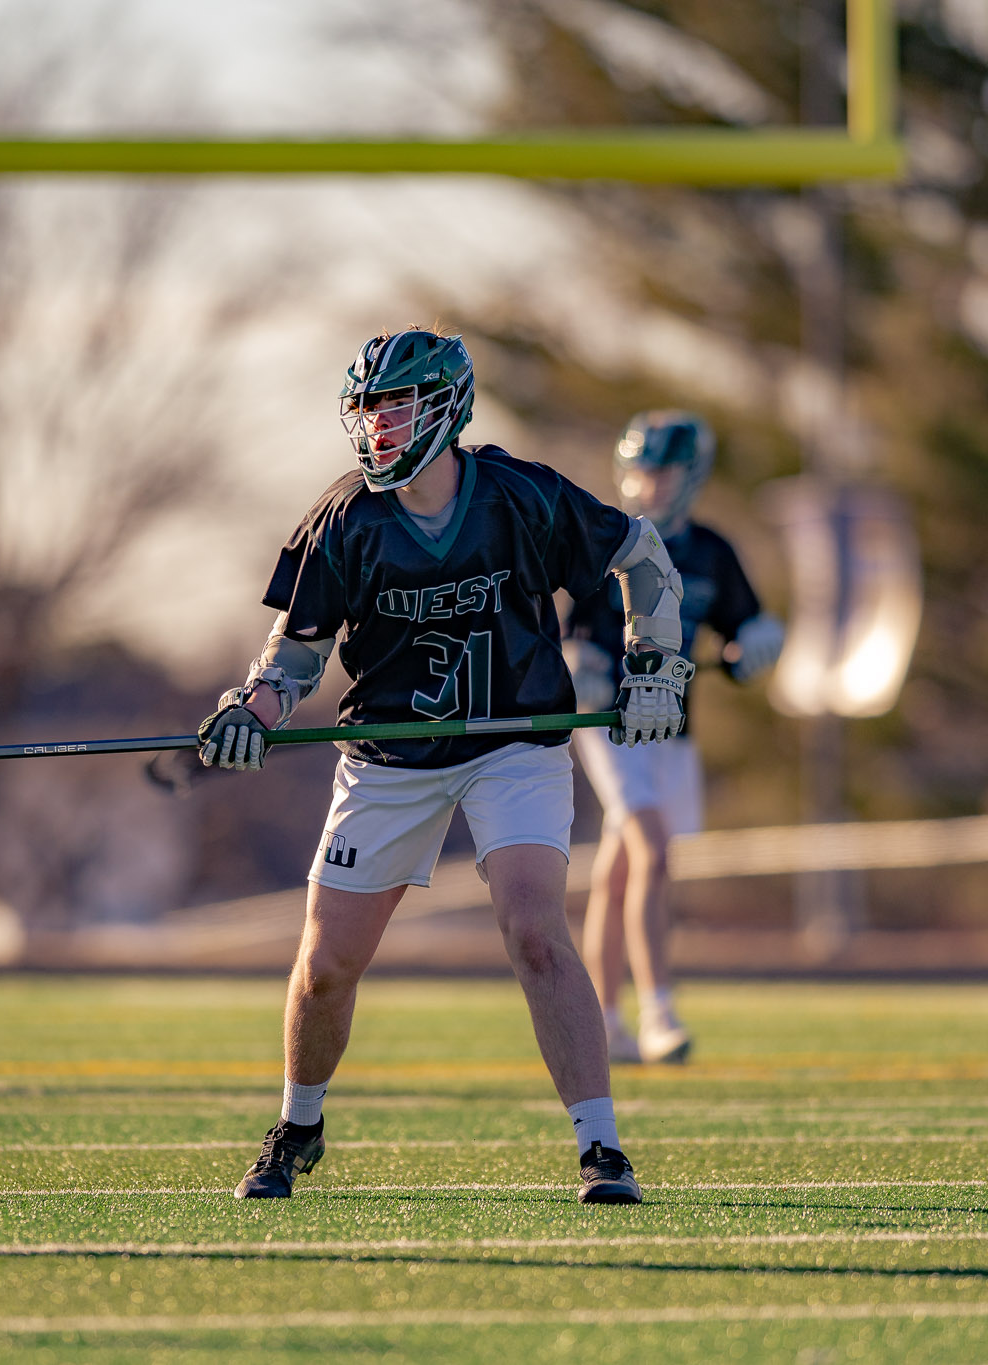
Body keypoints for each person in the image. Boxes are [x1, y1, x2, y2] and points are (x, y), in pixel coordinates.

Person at [197, 329, 693, 1205]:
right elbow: (297, 659)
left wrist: (654, 663)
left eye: (398, 406)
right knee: (325, 965)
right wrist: (253, 710)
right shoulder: (346, 518)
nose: (381, 428)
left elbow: (641, 557)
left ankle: (601, 1147)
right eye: (369, 410)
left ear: (447, 405)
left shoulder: (519, 495)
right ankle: (300, 1123)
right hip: (389, 756)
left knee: (536, 928)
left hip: (514, 743)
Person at [561, 412, 783, 1065]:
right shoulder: (613, 541)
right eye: (641, 469)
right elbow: (574, 635)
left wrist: (756, 644)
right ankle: (659, 1008)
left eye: (663, 471)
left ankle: (603, 1018)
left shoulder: (712, 550)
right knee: (653, 851)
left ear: (692, 476)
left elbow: (743, 625)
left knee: (622, 869)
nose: (648, 483)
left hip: (674, 730)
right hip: (613, 728)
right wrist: (586, 669)